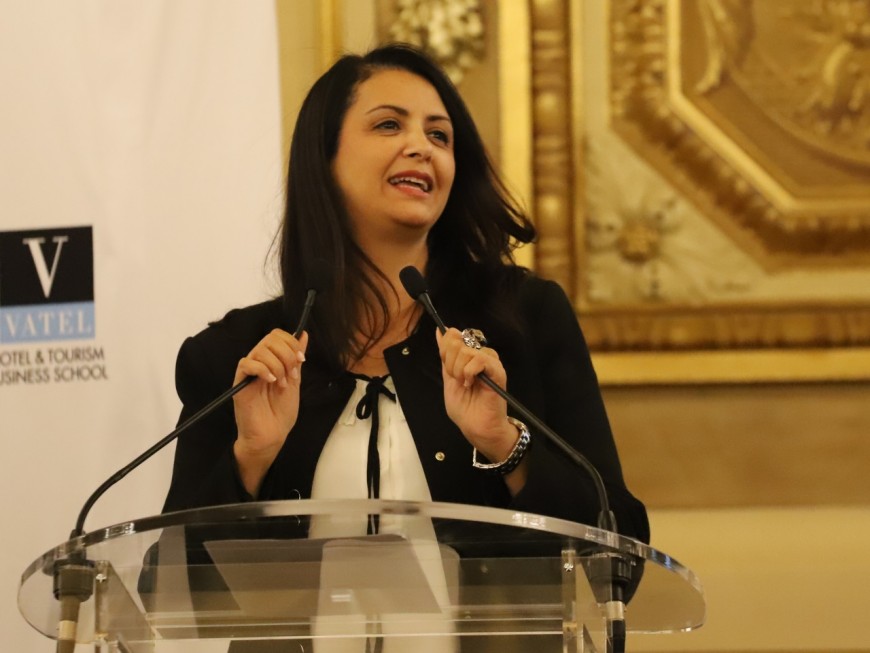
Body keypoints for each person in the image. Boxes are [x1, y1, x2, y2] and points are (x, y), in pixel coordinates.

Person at [161, 43, 649, 546]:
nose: (422, 147)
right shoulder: (239, 357)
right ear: (324, 156)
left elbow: (621, 544)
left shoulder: (524, 319)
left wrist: (504, 443)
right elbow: (168, 575)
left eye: (439, 135)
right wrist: (251, 456)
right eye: (389, 125)